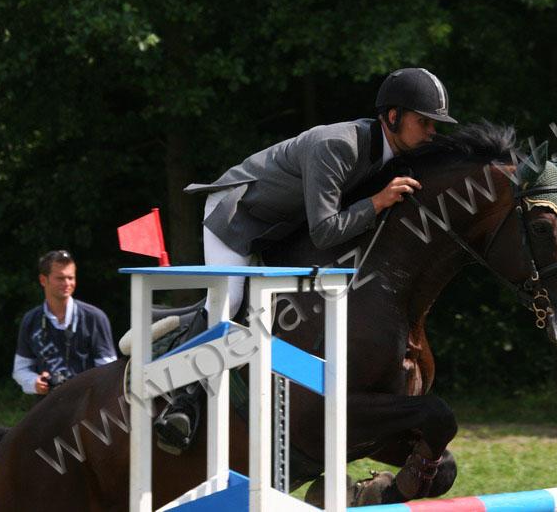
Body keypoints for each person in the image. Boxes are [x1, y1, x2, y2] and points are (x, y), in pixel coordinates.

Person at [154, 68, 458, 455]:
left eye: (434, 124)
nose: (432, 131)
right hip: (237, 214)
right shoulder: (338, 145)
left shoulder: (389, 156)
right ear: (394, 116)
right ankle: (182, 402)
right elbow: (326, 231)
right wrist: (378, 201)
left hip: (283, 224)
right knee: (231, 300)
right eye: (424, 121)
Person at [12, 250, 117, 396]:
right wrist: (35, 382)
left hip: (86, 404)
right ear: (43, 280)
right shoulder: (31, 320)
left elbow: (109, 369)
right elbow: (20, 369)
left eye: (70, 278)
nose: (67, 283)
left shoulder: (94, 318)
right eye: (60, 278)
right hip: (47, 404)